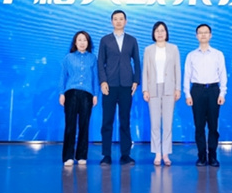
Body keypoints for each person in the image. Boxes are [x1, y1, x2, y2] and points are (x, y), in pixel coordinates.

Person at [97, 9, 141, 165]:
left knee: (125, 120)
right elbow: (100, 62)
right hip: (109, 85)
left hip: (126, 85)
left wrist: (136, 81)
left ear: (126, 21)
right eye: (115, 19)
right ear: (112, 22)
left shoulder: (132, 40)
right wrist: (103, 81)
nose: (118, 21)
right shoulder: (105, 40)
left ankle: (125, 154)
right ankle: (106, 155)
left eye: (121, 19)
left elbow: (137, 61)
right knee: (107, 121)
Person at [183, 23, 227, 167]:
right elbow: (187, 75)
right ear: (196, 36)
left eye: (206, 32)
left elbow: (223, 74)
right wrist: (187, 94)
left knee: (213, 126)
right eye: (200, 33)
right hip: (197, 90)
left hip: (213, 90)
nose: (203, 35)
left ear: (210, 35)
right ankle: (202, 156)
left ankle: (213, 156)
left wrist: (222, 93)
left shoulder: (218, 54)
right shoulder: (191, 55)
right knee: (199, 126)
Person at [142, 21, 181, 166]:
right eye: (157, 31)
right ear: (153, 33)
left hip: (169, 88)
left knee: (168, 123)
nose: (160, 33)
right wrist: (145, 89)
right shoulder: (148, 50)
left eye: (162, 30)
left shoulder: (173, 49)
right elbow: (145, 70)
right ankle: (157, 153)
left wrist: (178, 88)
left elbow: (177, 69)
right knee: (155, 123)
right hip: (153, 88)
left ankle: (166, 154)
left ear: (166, 33)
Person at [59, 31, 98, 167]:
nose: (82, 43)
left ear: (88, 43)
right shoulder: (68, 58)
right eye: (79, 40)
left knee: (84, 125)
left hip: (87, 94)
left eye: (85, 40)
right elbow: (63, 76)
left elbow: (95, 77)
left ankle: (81, 155)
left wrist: (95, 94)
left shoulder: (93, 58)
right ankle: (68, 156)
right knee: (70, 125)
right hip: (71, 93)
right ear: (75, 42)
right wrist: (61, 93)